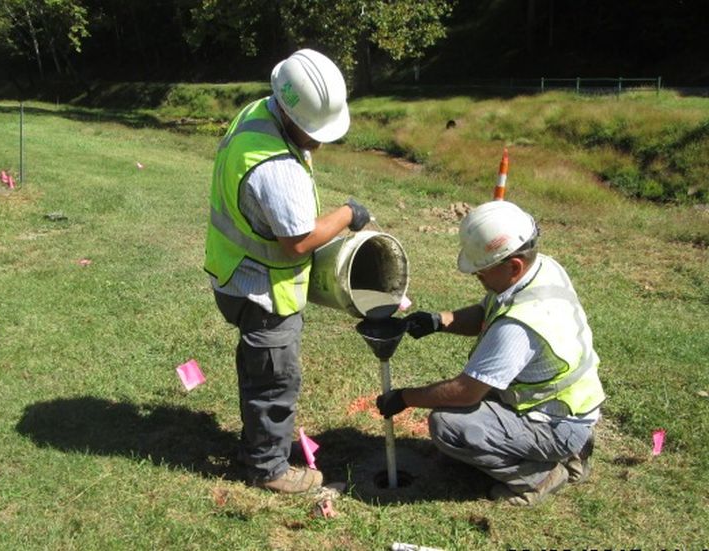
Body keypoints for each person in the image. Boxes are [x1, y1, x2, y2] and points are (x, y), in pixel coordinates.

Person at [204, 49, 371, 493]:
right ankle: (268, 469)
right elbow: (297, 242)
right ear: (292, 114)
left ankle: (257, 445)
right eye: (315, 131)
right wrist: (347, 215)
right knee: (275, 380)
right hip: (263, 290)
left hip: (234, 273)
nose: (319, 140)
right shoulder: (275, 166)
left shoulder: (261, 112)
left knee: (259, 371)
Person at [376, 201, 605, 506]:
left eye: (482, 272)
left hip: (554, 423)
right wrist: (440, 321)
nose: (477, 278)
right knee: (470, 410)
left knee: (448, 425)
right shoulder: (541, 269)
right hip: (568, 409)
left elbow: (465, 392)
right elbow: (487, 311)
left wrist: (405, 398)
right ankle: (570, 450)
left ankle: (538, 478)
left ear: (513, 266)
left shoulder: (520, 325)